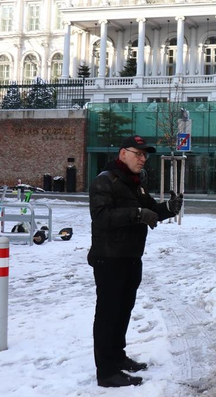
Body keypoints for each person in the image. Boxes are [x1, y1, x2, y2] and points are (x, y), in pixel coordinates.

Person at [88, 135, 183, 388]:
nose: (143, 159)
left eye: (145, 155)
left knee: (123, 311)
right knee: (108, 314)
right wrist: (137, 214)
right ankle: (106, 372)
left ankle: (117, 357)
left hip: (130, 257)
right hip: (109, 258)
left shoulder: (134, 183)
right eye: (138, 154)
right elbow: (101, 216)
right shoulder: (104, 181)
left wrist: (170, 208)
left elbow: (150, 208)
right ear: (122, 154)